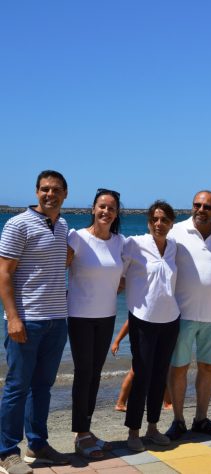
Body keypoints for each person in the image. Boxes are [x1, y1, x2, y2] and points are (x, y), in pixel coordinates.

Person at [0, 170, 71, 474]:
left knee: (43, 386)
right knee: (17, 386)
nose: (49, 194)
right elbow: (4, 273)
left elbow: (60, 262)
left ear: (65, 194)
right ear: (36, 191)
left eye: (55, 190)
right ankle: (5, 451)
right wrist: (13, 318)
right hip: (26, 321)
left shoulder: (64, 225)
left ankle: (37, 444)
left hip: (57, 319)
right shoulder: (18, 224)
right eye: (44, 189)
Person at [164, 191, 211, 440]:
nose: (201, 209)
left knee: (207, 368)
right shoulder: (177, 232)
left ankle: (201, 419)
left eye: (207, 206)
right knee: (179, 368)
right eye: (197, 204)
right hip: (182, 314)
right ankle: (179, 420)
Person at [67, 188, 124, 459]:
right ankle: (80, 435)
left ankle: (86, 430)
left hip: (107, 316)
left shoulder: (120, 242)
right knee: (83, 373)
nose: (106, 212)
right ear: (93, 208)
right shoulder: (76, 238)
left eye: (111, 208)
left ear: (117, 213)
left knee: (95, 374)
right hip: (79, 316)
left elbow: (123, 279)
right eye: (102, 206)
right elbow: (56, 272)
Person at [122, 200, 180, 452]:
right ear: (148, 222)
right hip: (142, 320)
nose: (159, 224)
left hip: (170, 320)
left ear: (171, 224)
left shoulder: (174, 247)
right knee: (142, 374)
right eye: (155, 219)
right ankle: (133, 431)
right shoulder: (134, 244)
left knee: (159, 376)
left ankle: (153, 427)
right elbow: (117, 273)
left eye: (164, 220)